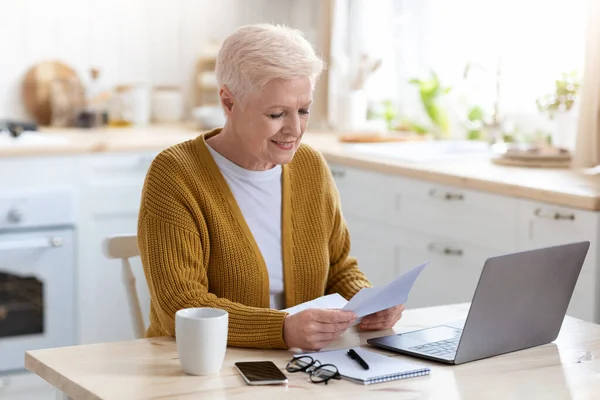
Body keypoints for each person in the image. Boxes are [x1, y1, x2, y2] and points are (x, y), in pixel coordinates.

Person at [137, 23, 404, 351]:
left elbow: (338, 267)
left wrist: (368, 302)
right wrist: (282, 329)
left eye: (303, 110)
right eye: (277, 114)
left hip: (302, 367)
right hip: (198, 367)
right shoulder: (176, 175)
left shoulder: (310, 167)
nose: (294, 129)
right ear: (229, 102)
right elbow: (181, 305)